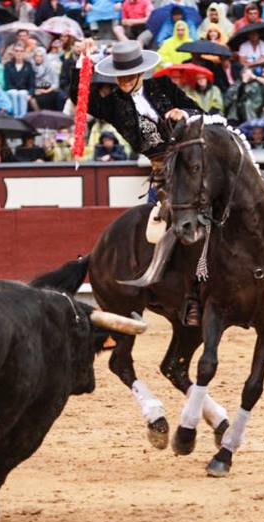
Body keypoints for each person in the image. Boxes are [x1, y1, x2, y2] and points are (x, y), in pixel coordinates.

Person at [70, 39, 203, 324]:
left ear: (141, 72)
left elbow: (199, 111)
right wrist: (82, 62)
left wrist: (184, 113)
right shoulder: (113, 104)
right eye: (120, 75)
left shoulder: (164, 87)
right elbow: (81, 99)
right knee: (158, 225)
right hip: (163, 170)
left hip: (191, 159)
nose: (124, 80)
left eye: (129, 74)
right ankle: (185, 292)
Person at [4, 44, 35, 118]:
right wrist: (15, 89)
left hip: (24, 91)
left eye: (21, 51)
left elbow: (31, 82)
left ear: (24, 53)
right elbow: (7, 82)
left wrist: (30, 94)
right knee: (14, 93)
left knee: (23, 93)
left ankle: (22, 117)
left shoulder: (28, 65)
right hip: (11, 90)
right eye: (16, 51)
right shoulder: (8, 65)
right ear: (13, 53)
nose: (19, 53)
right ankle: (14, 117)